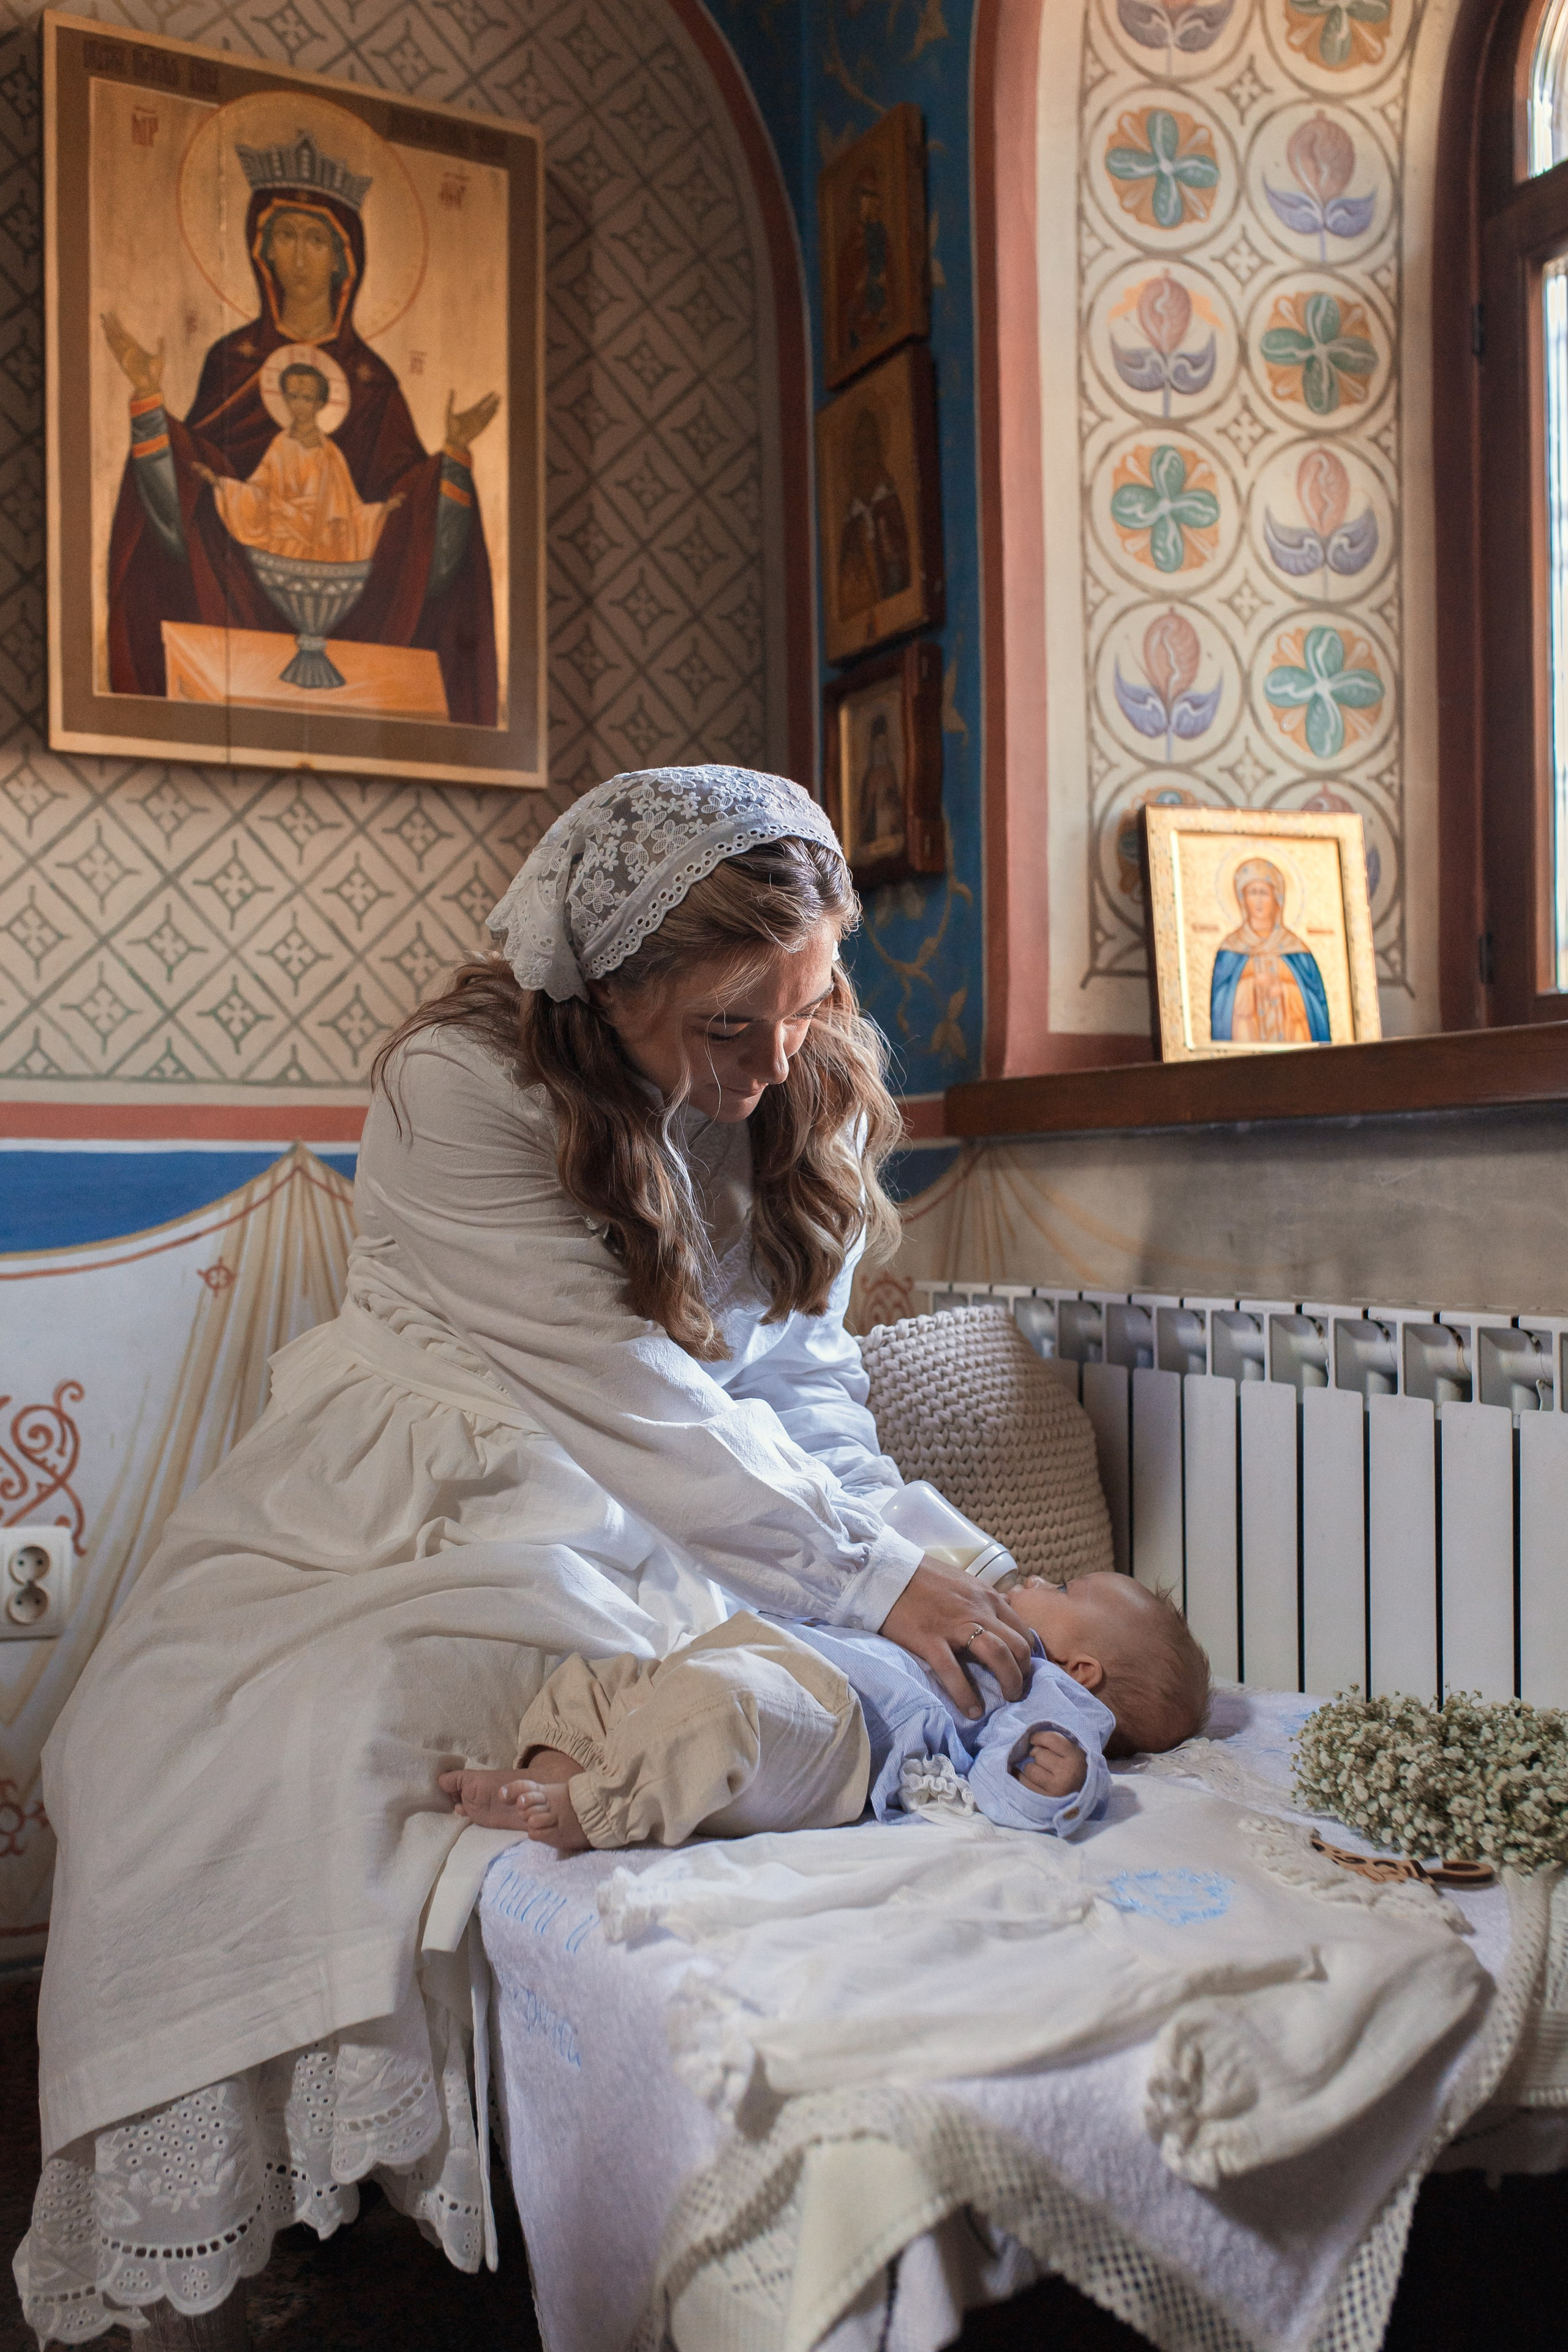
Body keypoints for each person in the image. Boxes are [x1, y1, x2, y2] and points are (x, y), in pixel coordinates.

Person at [15, 767, 1032, 2350]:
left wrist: (975, 1580)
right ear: (606, 989)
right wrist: (871, 1583)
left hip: (688, 1506)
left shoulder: (791, 1082)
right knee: (249, 1752)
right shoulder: (458, 1083)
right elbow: (627, 1395)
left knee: (770, 1707)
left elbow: (801, 1409)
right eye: (724, 1030)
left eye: (811, 1005)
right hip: (421, 1495)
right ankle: (266, 2192)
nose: (775, 1063)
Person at [100, 124, 500, 723]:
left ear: (344, 258)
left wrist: (456, 459)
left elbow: (414, 524)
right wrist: (148, 403)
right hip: (234, 594)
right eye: (285, 235)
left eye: (316, 239)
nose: (299, 253)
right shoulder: (231, 361)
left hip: (356, 602)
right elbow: (187, 495)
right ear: (261, 249)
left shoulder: (373, 382)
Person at [442, 1570, 1212, 1855]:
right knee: (607, 1679)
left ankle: (591, 1809)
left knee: (727, 1708)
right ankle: (557, 1767)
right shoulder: (976, 1612)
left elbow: (1015, 1768)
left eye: (1069, 1590)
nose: (1040, 1575)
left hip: (838, 1729)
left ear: (1083, 1670)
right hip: (772, 1653)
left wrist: (1058, 1781)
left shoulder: (1045, 1691)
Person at [193, 361, 404, 565]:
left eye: (307, 398)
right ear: (285, 399)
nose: (299, 405)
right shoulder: (280, 446)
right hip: (284, 544)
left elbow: (350, 510)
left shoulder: (330, 453)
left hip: (321, 547)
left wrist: (381, 512)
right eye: (293, 397)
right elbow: (259, 493)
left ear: (319, 404)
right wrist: (221, 485)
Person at [1209, 857, 1331, 1045]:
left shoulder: (1296, 948)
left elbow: (1317, 1002)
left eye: (1264, 893)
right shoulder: (1232, 947)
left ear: (1277, 898)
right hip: (1243, 1047)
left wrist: (1284, 991)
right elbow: (1220, 1004)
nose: (1258, 901)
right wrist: (1250, 987)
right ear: (1242, 899)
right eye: (1252, 893)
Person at [837, 407, 911, 620]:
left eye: (869, 445)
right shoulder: (851, 517)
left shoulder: (891, 503)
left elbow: (905, 563)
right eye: (858, 449)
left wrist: (892, 559)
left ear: (879, 450)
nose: (863, 456)